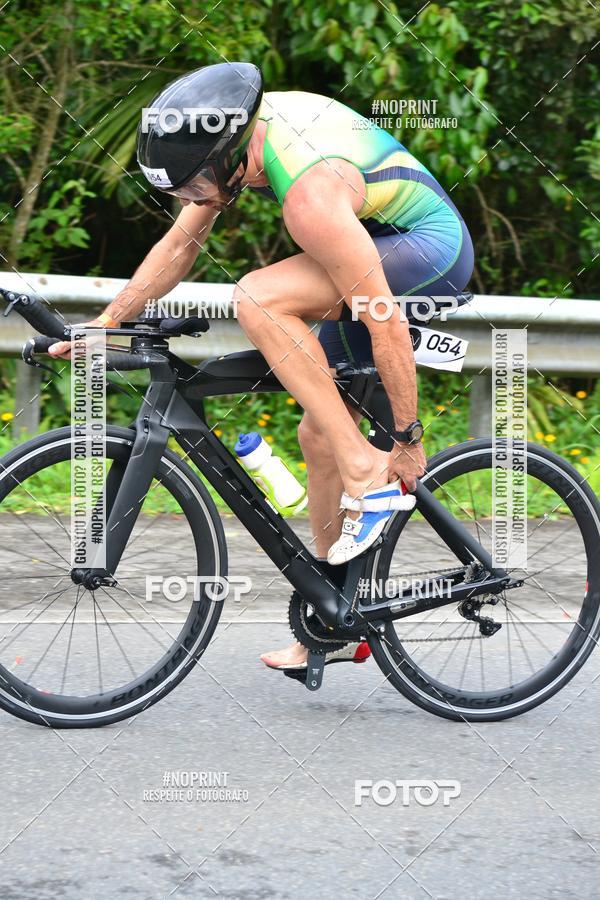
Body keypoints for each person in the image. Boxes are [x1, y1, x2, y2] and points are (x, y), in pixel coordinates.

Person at [50, 62, 474, 674]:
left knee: (257, 296)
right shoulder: (239, 138)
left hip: (427, 251)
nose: (189, 200)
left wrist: (407, 439)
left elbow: (385, 320)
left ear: (224, 157)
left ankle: (368, 472)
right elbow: (178, 246)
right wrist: (108, 321)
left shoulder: (308, 194)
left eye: (193, 187)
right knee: (317, 433)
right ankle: (334, 619)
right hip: (367, 239)